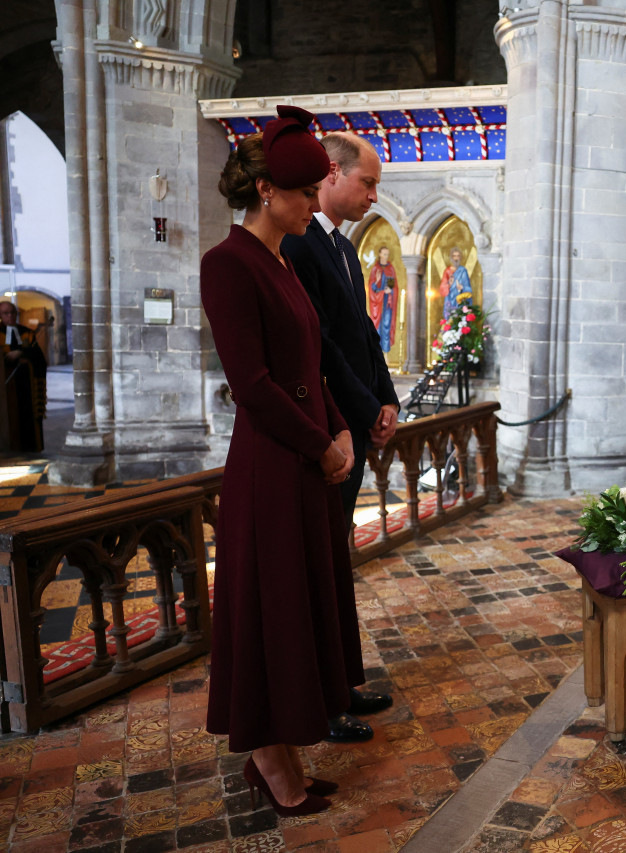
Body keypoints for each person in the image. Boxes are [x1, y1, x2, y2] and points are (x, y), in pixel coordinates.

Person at [201, 105, 360, 816]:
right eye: (301, 195)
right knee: (270, 613)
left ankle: (285, 756)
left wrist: (339, 427)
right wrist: (319, 441)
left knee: (298, 608)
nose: (309, 206)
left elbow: (310, 362)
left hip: (303, 459)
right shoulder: (227, 264)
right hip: (270, 465)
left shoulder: (279, 259)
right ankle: (269, 761)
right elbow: (255, 385)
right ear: (266, 190)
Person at [281, 131, 398, 743]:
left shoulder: (346, 251)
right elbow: (321, 346)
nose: (373, 196)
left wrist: (387, 399)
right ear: (332, 174)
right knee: (319, 564)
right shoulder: (300, 249)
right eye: (368, 182)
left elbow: (366, 337)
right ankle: (324, 699)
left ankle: (342, 681)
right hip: (328, 424)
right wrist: (357, 409)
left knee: (335, 560)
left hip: (354, 417)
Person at [0, 300, 47, 452]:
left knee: (28, 420)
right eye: (6, 313)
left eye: (13, 312)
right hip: (6, 388)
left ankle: (32, 448)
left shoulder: (27, 333)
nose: (10, 316)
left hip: (27, 384)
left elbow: (39, 358)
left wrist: (21, 353)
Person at [366, 245, 397, 353]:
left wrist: (390, 290)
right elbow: (371, 288)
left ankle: (386, 354)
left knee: (386, 325)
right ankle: (377, 353)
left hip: (387, 303)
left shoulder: (390, 268)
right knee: (377, 327)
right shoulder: (376, 269)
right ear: (379, 254)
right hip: (377, 303)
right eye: (384, 254)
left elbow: (393, 285)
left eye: (387, 254)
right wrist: (377, 281)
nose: (386, 256)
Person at [440, 246, 472, 317]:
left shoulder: (463, 270)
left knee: (460, 316)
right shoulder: (447, 271)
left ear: (460, 258)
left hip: (460, 298)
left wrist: (462, 287)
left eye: (458, 256)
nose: (456, 258)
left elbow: (468, 288)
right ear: (451, 258)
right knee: (450, 317)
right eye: (454, 256)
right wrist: (449, 285)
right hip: (450, 298)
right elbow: (442, 288)